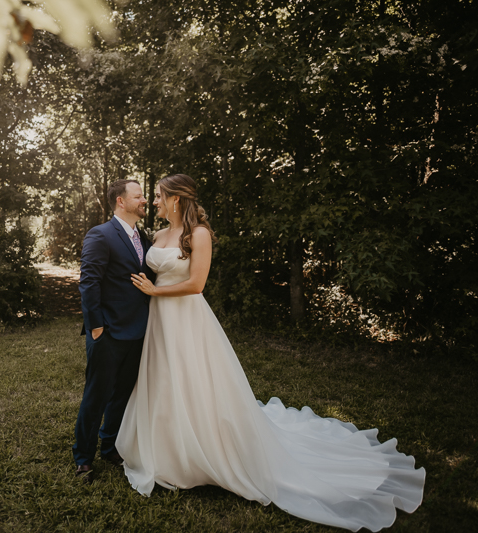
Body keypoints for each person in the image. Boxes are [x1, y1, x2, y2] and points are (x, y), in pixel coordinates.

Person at [118, 174, 425, 531]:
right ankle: (168, 450)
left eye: (158, 196)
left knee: (194, 380)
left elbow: (197, 284)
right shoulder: (156, 236)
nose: (154, 202)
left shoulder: (198, 234)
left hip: (186, 318)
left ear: (175, 199)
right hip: (160, 322)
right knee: (164, 380)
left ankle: (205, 452)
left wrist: (155, 293)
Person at [73, 179, 155, 483]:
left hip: (138, 330)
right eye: (139, 196)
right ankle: (83, 457)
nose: (144, 200)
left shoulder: (142, 236)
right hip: (107, 332)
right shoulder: (100, 234)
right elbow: (89, 282)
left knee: (121, 395)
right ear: (121, 201)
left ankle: (110, 446)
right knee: (96, 396)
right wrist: (96, 327)